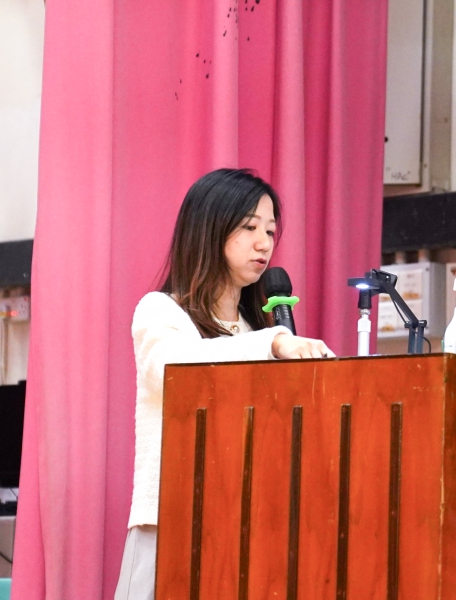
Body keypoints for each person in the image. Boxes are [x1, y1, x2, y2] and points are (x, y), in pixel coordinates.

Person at [115, 169, 333, 600]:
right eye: (250, 227)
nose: (264, 243)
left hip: (245, 523)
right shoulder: (162, 311)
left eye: (270, 231)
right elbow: (175, 371)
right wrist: (274, 343)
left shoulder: (255, 328)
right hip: (172, 520)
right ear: (209, 228)